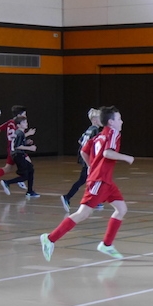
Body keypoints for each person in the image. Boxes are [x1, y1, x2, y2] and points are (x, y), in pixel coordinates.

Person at [40, 106, 135, 261]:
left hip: (106, 181)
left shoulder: (98, 136)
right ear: (111, 122)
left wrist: (91, 166)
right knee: (83, 213)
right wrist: (126, 157)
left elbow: (83, 151)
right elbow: (107, 153)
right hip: (99, 181)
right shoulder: (113, 133)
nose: (122, 121)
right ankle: (50, 238)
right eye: (119, 119)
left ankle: (107, 244)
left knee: (121, 209)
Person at [60, 108, 102, 212]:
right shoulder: (95, 130)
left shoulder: (88, 130)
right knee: (87, 179)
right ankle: (67, 197)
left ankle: (94, 200)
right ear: (94, 119)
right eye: (100, 118)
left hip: (85, 157)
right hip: (89, 159)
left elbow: (80, 141)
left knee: (90, 179)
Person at [0, 105, 34, 191]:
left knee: (8, 168)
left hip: (12, 148)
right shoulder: (17, 124)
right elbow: (16, 137)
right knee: (29, 166)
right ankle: (21, 181)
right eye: (24, 114)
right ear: (19, 115)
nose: (25, 116)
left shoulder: (10, 122)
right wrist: (28, 134)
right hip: (16, 149)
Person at [0, 116, 40, 198]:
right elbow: (17, 146)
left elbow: (18, 143)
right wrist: (30, 148)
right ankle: (7, 182)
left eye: (26, 122)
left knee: (31, 169)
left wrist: (27, 142)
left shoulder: (19, 133)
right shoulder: (20, 133)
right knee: (25, 176)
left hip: (18, 155)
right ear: (18, 125)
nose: (26, 123)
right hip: (18, 155)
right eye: (24, 122)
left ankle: (30, 191)